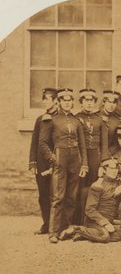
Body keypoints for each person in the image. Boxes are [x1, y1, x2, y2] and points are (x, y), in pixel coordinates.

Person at [38, 88, 88, 243]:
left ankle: (65, 228)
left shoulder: (76, 121)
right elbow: (43, 143)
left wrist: (84, 164)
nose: (67, 103)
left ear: (72, 102)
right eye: (64, 100)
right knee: (58, 196)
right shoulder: (50, 119)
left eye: (69, 100)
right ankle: (53, 231)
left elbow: (82, 145)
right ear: (58, 102)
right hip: (60, 157)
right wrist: (53, 158)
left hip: (75, 159)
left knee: (72, 196)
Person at [59, 158, 121, 243]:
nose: (114, 171)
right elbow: (89, 210)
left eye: (116, 168)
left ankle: (87, 235)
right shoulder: (97, 185)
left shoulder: (118, 183)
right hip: (94, 222)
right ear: (104, 170)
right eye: (111, 168)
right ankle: (76, 229)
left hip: (109, 221)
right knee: (105, 237)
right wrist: (105, 223)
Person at [75, 88, 109, 224]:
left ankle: (93, 218)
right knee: (79, 187)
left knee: (94, 187)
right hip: (80, 156)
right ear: (81, 103)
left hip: (95, 156)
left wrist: (103, 163)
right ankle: (78, 219)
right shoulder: (76, 118)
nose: (89, 103)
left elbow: (104, 144)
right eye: (86, 100)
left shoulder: (100, 120)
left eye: (91, 101)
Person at [28, 87, 58, 235]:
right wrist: (32, 162)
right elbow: (34, 142)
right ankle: (46, 224)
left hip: (57, 160)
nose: (45, 101)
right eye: (44, 99)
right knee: (43, 194)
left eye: (48, 98)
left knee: (57, 194)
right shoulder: (40, 119)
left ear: (56, 101)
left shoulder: (59, 119)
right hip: (41, 162)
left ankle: (57, 224)